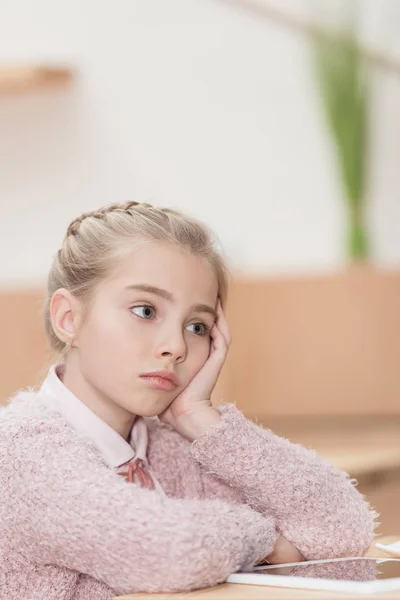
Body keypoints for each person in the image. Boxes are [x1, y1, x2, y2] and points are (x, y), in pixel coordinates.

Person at [0, 201, 379, 600]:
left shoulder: (169, 448)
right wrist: (264, 539)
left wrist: (202, 421)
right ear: (68, 319)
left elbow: (341, 526)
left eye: (197, 326)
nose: (176, 346)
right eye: (145, 310)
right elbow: (165, 550)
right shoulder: (21, 450)